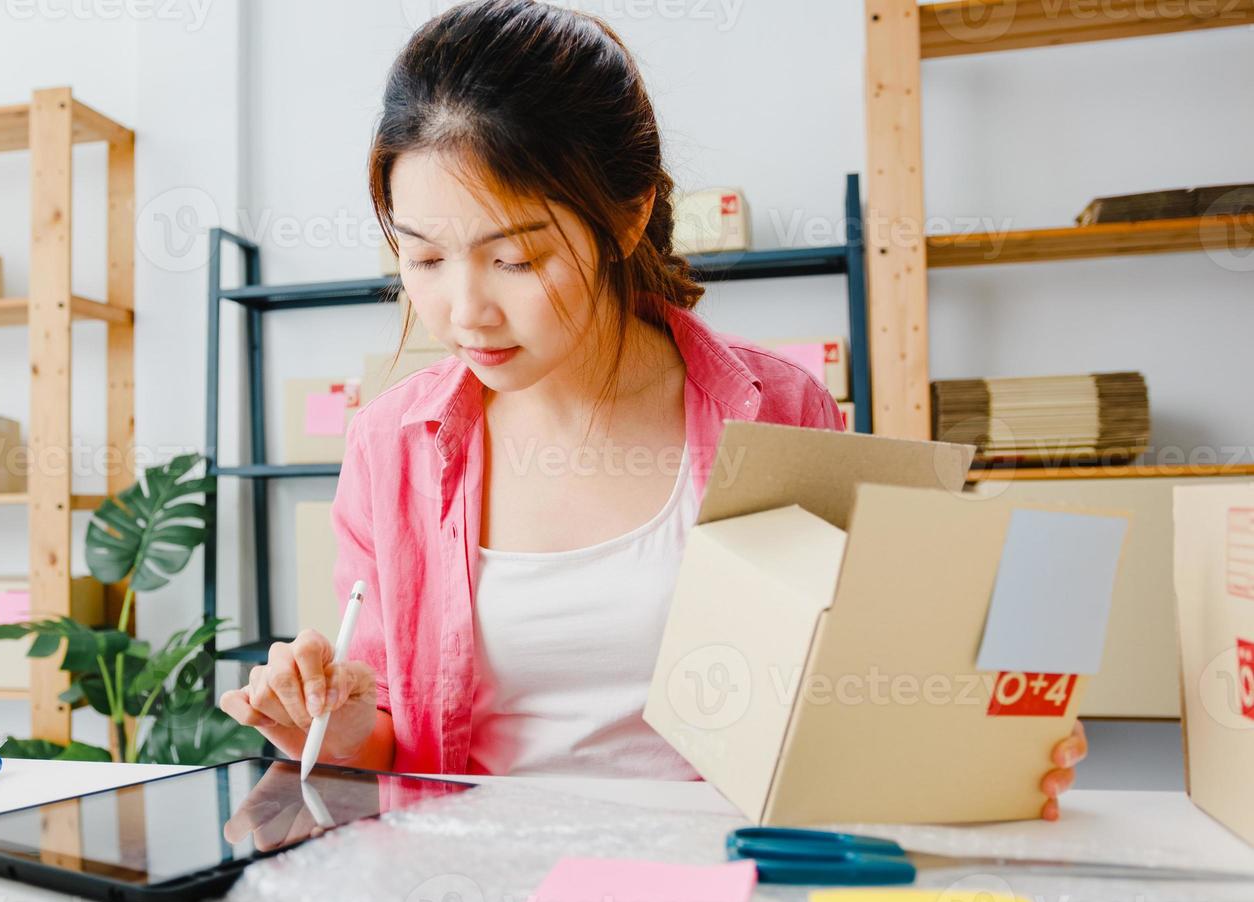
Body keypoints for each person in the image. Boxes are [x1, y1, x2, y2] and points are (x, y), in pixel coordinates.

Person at [219, 0, 1086, 819]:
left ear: (627, 218)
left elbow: (863, 689)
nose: (465, 310)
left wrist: (981, 736)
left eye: (515, 260)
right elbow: (386, 740)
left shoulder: (778, 411)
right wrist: (327, 728)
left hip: (717, 890)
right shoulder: (391, 446)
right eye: (424, 258)